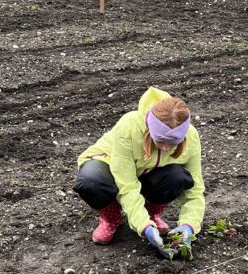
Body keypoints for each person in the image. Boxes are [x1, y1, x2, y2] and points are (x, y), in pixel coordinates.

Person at [74, 87, 205, 259]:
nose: (165, 148)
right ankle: (110, 217)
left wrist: (189, 225)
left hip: (147, 175)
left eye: (173, 144)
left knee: (178, 176)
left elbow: (194, 190)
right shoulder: (129, 127)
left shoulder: (191, 137)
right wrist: (144, 226)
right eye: (160, 141)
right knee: (91, 181)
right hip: (109, 167)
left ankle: (152, 213)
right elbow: (126, 185)